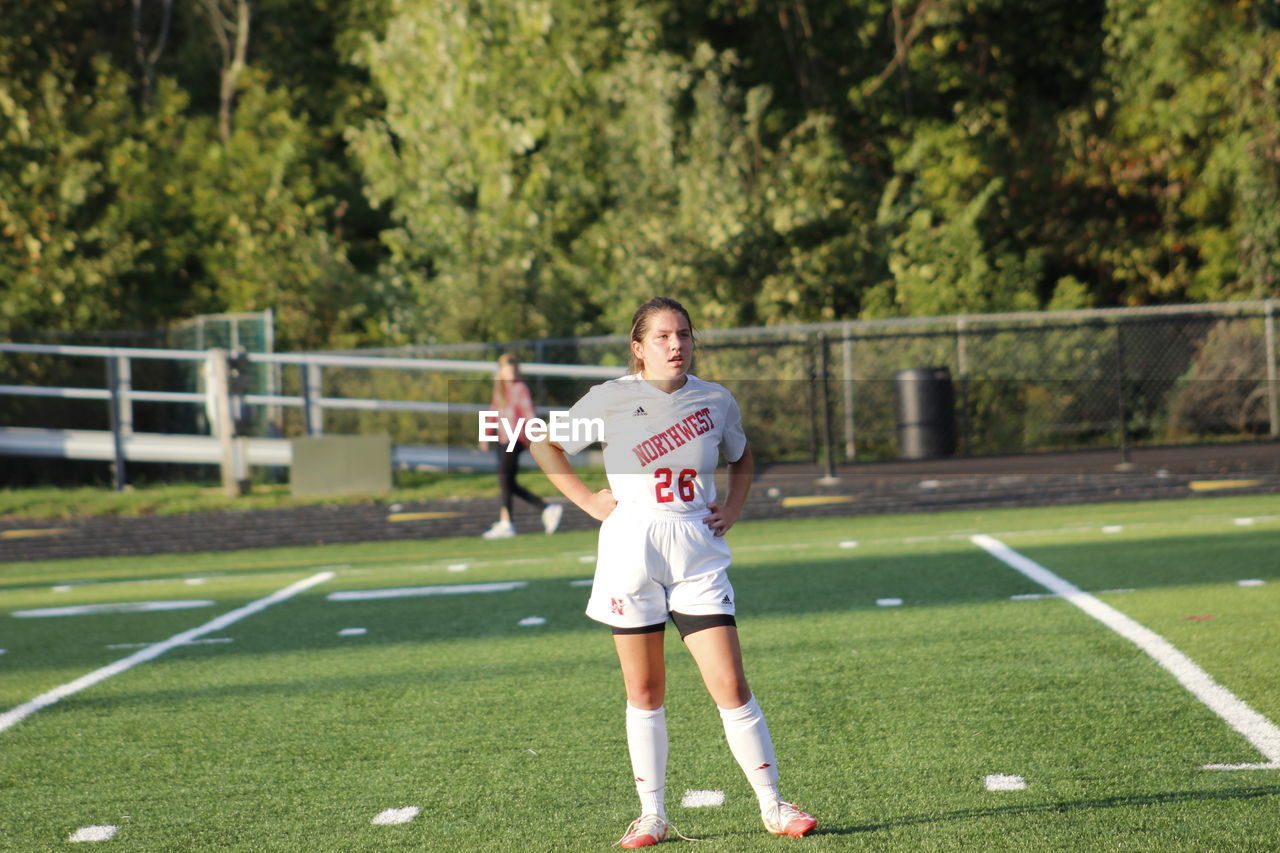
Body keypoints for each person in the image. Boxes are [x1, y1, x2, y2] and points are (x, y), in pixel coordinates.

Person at [528, 297, 817, 847]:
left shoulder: (715, 398)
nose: (676, 344)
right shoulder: (609, 397)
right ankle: (653, 815)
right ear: (638, 348)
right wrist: (587, 499)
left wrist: (731, 509)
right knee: (645, 689)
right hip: (630, 552)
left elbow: (743, 457)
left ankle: (775, 806)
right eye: (661, 336)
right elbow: (545, 443)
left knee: (730, 684)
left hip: (696, 552)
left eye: (683, 334)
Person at [481, 353, 563, 539]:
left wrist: (538, 436)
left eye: (513, 370)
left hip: (516, 437)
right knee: (508, 482)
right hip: (503, 438)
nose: (510, 373)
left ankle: (507, 522)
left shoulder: (520, 388)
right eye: (506, 370)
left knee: (504, 478)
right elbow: (493, 412)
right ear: (500, 372)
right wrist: (485, 435)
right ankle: (546, 508)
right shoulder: (500, 390)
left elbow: (529, 414)